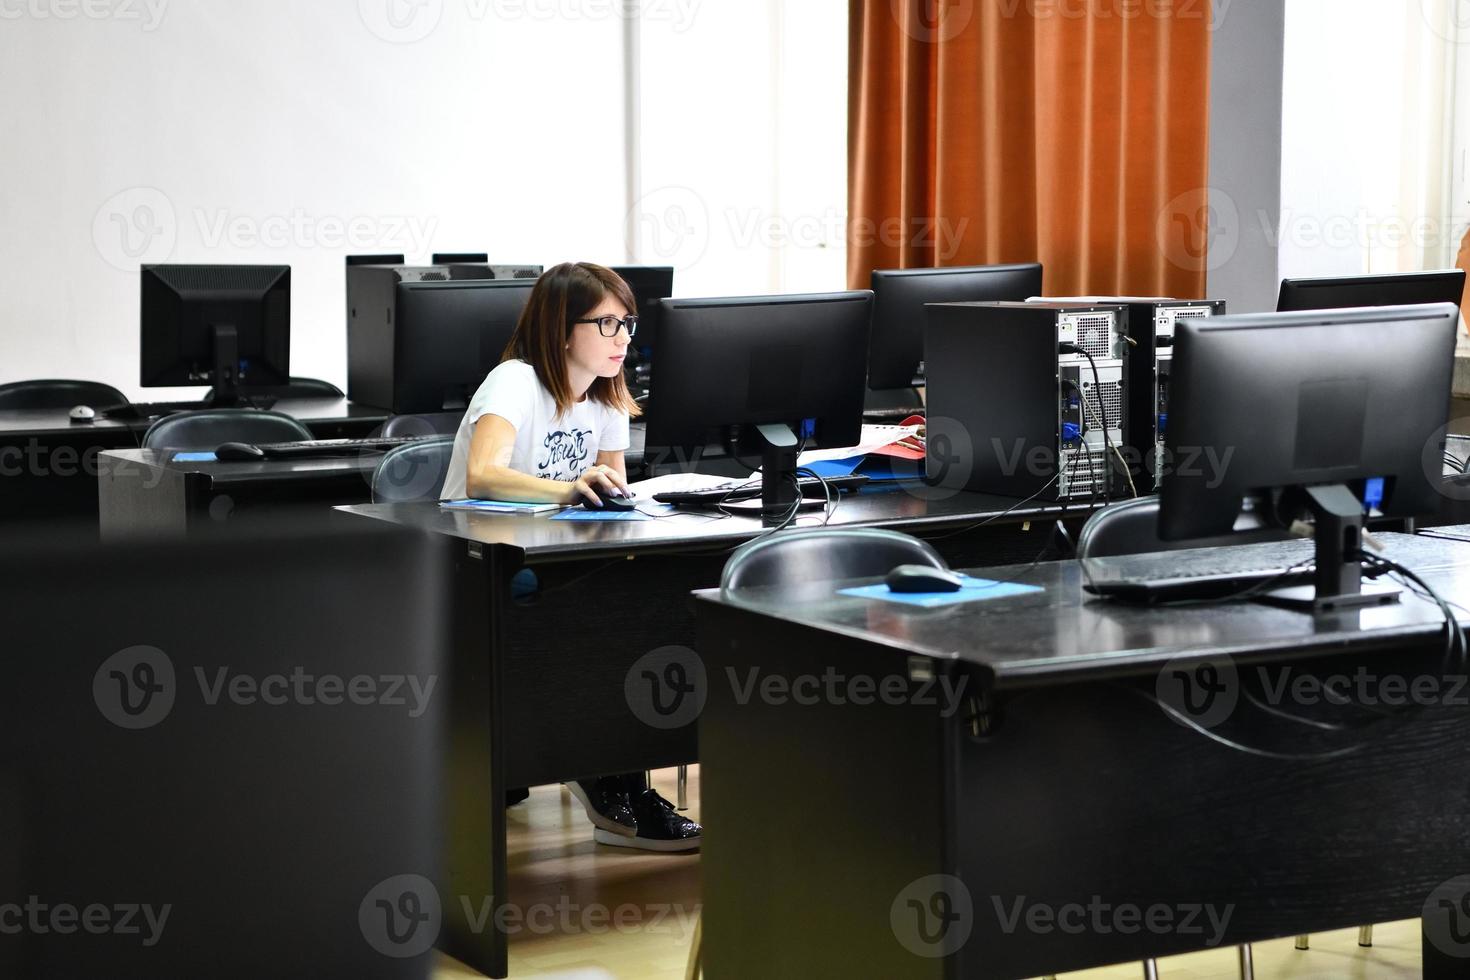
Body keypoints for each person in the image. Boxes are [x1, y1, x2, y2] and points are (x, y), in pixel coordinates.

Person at [441, 261, 701, 852]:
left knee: (646, 597)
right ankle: (605, 774)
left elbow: (613, 489)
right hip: (486, 567)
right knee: (601, 615)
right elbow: (482, 475)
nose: (622, 339)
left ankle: (624, 778)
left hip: (561, 563)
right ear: (562, 330)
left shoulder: (605, 396)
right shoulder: (515, 381)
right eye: (606, 324)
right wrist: (564, 489)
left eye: (627, 324)